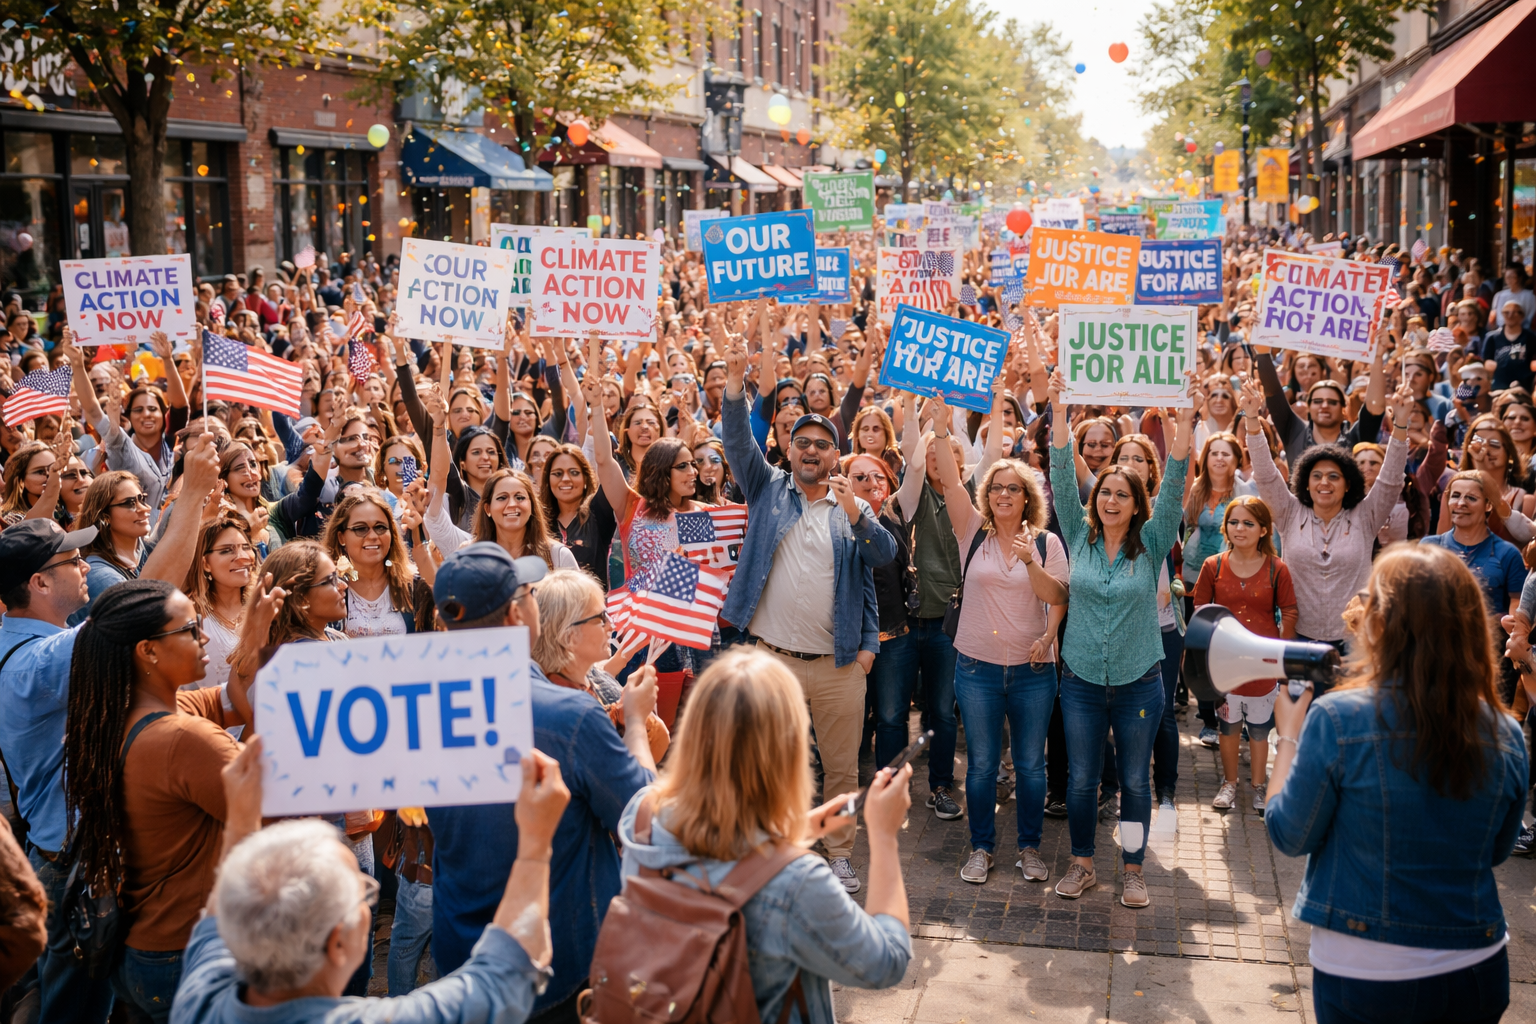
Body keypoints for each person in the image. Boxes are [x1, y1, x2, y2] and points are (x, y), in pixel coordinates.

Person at [0, 435, 218, 1022]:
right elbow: (141, 607)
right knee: (72, 1013)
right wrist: (191, 498)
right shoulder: (34, 664)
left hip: (79, 851)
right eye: (71, 560)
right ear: (38, 584)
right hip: (73, 860)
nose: (84, 565)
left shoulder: (35, 644)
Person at [1265, 545, 1527, 1024]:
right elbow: (1496, 850)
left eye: (1368, 600)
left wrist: (1287, 736)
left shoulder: (1338, 717)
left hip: (1367, 971)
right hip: (1477, 963)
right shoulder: (1506, 731)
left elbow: (1289, 834)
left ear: (1385, 624)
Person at [171, 736, 567, 1024]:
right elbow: (507, 974)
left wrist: (241, 821)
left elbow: (219, 916)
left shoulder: (199, 1000)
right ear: (338, 942)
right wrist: (536, 844)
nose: (369, 893)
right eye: (361, 889)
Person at [617, 648, 913, 1024]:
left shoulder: (642, 818)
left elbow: (703, 829)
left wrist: (803, 828)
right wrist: (885, 836)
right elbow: (886, 963)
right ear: (787, 748)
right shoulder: (797, 881)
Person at [427, 543, 656, 1023]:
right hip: (556, 969)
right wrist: (636, 723)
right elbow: (645, 820)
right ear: (517, 614)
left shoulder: (421, 712)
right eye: (530, 593)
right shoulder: (568, 715)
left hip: (461, 964)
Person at [718, 326, 895, 895]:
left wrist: (865, 651)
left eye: (822, 443)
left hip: (839, 666)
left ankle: (838, 854)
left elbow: (884, 557)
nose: (812, 450)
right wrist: (735, 384)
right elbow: (736, 439)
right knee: (772, 762)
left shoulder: (852, 505)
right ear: (788, 449)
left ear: (835, 454)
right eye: (802, 442)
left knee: (841, 768)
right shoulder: (767, 488)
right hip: (773, 661)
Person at [62, 579, 248, 1021]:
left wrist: (254, 634)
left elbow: (227, 700)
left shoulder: (117, 713)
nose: (204, 638)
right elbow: (268, 814)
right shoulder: (184, 739)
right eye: (190, 629)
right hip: (188, 955)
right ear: (147, 651)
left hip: (142, 948)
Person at [1046, 369, 1193, 909]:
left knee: (1134, 781)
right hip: (1081, 680)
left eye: (1121, 494)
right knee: (1082, 780)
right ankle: (1082, 864)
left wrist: (1184, 418)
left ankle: (1133, 871)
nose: (1110, 500)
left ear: (1137, 504)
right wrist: (1058, 409)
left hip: (1139, 682)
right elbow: (1061, 470)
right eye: (1105, 492)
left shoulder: (1152, 540)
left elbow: (1175, 480)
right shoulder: (1078, 533)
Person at [929, 391, 1068, 886]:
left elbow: (1057, 597)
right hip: (977, 669)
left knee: (1030, 766)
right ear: (987, 495)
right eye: (996, 488)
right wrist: (941, 430)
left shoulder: (1047, 543)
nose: (1003, 495)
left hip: (1034, 672)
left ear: (1028, 496)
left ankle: (1029, 849)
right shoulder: (972, 531)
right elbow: (950, 481)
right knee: (983, 765)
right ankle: (982, 848)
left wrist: (1047, 628)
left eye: (1013, 488)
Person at [1238, 378, 1414, 652]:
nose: (1324, 483)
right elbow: (1266, 475)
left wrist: (1401, 423)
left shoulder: (1366, 515)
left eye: (1334, 476)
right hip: (1297, 638)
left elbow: (1390, 479)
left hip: (1355, 640)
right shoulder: (1289, 512)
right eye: (1316, 476)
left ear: (1348, 484)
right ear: (1305, 483)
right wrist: (1252, 418)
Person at [1191, 496, 1298, 812]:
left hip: (1264, 665)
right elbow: (1200, 611)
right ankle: (1229, 784)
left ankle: (1259, 787)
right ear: (1225, 527)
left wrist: (1282, 659)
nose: (1239, 528)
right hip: (1224, 665)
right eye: (1233, 522)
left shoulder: (1277, 569)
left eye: (1248, 523)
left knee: (1260, 730)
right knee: (1228, 727)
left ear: (1264, 530)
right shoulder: (1213, 565)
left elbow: (1289, 612)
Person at [530, 568, 670, 765]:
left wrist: (623, 656)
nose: (611, 625)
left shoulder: (552, 685)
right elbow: (635, 782)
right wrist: (635, 720)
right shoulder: (579, 714)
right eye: (601, 618)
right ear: (569, 636)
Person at [321, 490, 435, 636]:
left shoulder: (414, 588)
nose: (373, 536)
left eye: (380, 527)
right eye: (360, 529)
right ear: (341, 537)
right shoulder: (329, 591)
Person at [183, 514, 256, 698]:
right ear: (205, 563)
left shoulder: (264, 606)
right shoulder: (191, 615)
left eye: (246, 547)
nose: (242, 557)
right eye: (227, 550)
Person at [539, 444, 618, 590]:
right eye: (557, 473)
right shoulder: (539, 522)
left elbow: (606, 464)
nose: (565, 479)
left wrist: (596, 427)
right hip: (548, 603)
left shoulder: (598, 512)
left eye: (574, 472)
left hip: (592, 602)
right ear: (548, 480)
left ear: (586, 478)